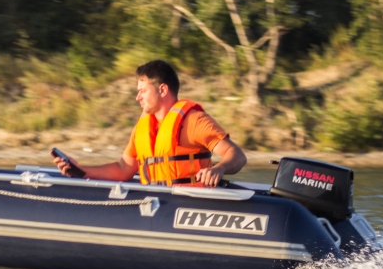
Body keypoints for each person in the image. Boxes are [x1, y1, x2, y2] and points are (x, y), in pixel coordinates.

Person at [52, 59, 246, 187]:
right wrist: (81, 170)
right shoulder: (142, 127)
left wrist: (218, 168)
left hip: (190, 203)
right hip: (155, 204)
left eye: (143, 91)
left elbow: (237, 156)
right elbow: (123, 170)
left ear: (162, 90)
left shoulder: (194, 121)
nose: (138, 97)